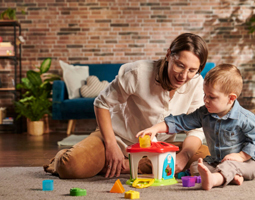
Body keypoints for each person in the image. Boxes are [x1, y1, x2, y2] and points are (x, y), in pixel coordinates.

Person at [43, 33, 211, 179]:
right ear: (168, 55)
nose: (183, 75)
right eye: (180, 65)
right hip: (117, 139)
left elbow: (196, 128)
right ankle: (118, 162)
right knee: (70, 166)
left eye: (192, 70)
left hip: (158, 148)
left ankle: (126, 166)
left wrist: (183, 156)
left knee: (204, 155)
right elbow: (101, 103)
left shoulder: (196, 84)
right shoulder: (137, 72)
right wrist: (111, 146)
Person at [136, 64, 255, 190]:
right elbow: (181, 121)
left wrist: (241, 156)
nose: (205, 100)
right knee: (196, 166)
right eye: (205, 94)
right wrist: (155, 129)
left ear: (231, 98)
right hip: (217, 161)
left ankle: (214, 180)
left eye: (212, 97)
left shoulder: (245, 117)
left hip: (247, 163)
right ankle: (231, 177)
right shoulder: (204, 113)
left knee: (230, 165)